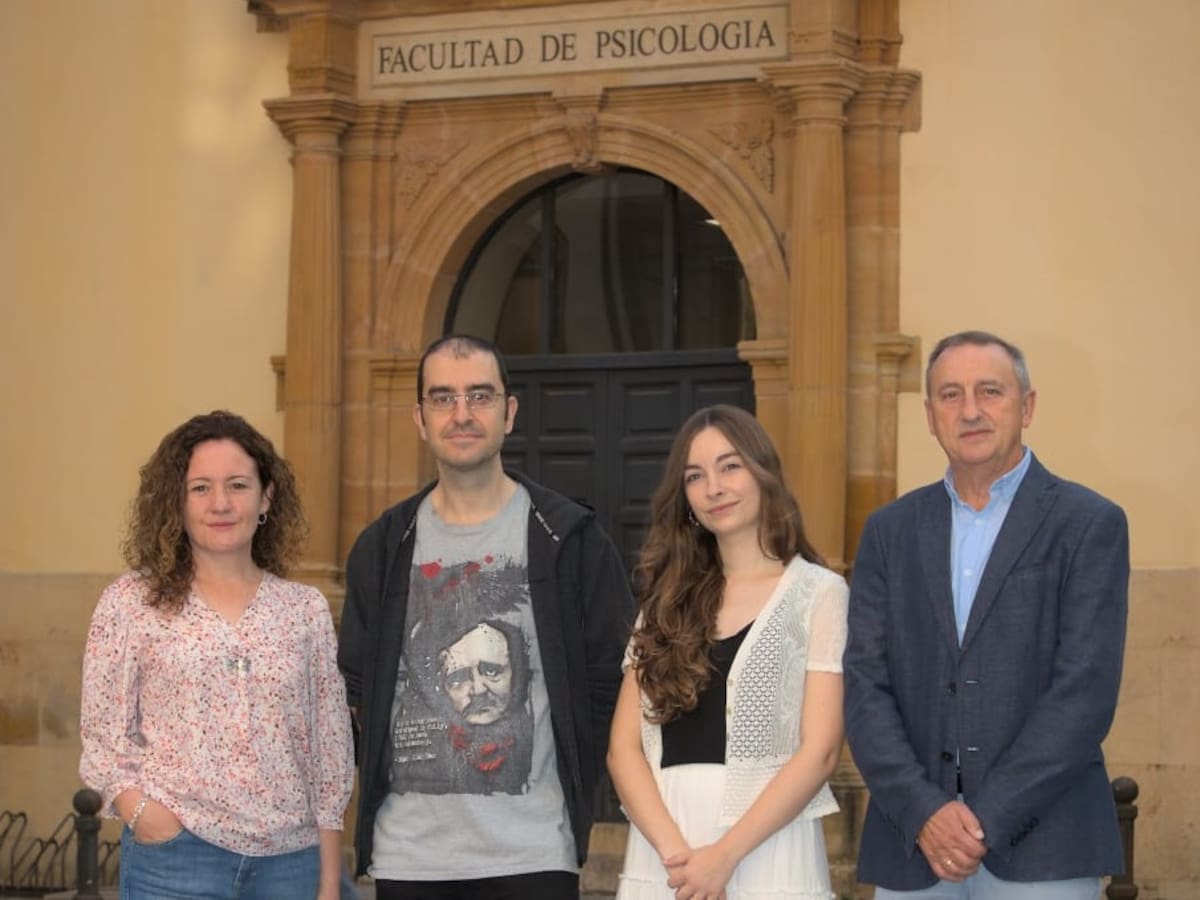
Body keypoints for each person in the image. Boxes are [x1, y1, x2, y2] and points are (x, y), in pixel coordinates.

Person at [338, 334, 633, 899]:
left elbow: (612, 681)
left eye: (480, 396)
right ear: (420, 419)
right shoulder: (383, 547)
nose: (462, 414)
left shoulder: (569, 539)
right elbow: (352, 691)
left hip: (534, 852)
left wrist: (572, 780)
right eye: (442, 398)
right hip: (411, 858)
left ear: (509, 412)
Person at [844, 331, 1129, 899]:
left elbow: (1084, 692)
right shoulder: (888, 532)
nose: (970, 410)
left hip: (1044, 842)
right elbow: (865, 684)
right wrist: (924, 812)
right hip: (913, 846)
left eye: (990, 391)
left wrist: (985, 819)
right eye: (950, 395)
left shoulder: (1088, 523)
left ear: (1027, 406)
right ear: (930, 416)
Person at [79, 410, 355, 900]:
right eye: (201, 488)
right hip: (176, 860)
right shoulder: (131, 603)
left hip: (291, 864)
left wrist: (330, 881)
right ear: (177, 501)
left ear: (266, 497)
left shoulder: (304, 610)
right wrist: (143, 814)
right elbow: (104, 735)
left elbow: (329, 751)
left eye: (238, 486)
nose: (221, 503)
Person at [608, 404, 848, 900]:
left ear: (764, 473)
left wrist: (723, 856)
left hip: (769, 849)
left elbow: (821, 751)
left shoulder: (819, 594)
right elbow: (623, 749)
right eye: (695, 476)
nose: (713, 488)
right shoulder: (663, 603)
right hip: (666, 852)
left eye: (730, 466)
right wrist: (679, 858)